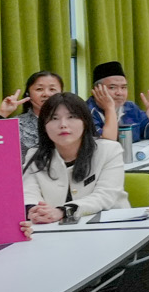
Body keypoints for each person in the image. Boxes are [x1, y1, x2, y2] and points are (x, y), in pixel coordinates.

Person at [23, 92, 129, 222]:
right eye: (54, 118)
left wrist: (64, 211)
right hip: (52, 227)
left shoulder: (109, 150)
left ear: (85, 121)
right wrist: (35, 210)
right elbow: (29, 192)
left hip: (109, 225)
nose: (63, 124)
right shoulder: (35, 155)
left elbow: (105, 196)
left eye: (71, 117)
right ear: (44, 126)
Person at [87, 60, 149, 143]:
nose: (119, 93)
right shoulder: (85, 112)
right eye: (112, 87)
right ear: (97, 90)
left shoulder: (130, 107)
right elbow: (108, 143)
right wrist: (109, 109)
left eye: (123, 87)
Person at [0, 70, 65, 157]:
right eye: (39, 89)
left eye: (52, 89)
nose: (46, 94)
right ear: (28, 94)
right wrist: (1, 114)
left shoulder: (72, 122)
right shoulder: (16, 125)